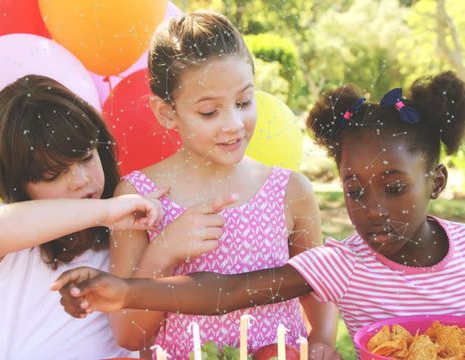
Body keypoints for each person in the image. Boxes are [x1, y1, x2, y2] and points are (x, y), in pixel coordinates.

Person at [53, 71, 465, 355]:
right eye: (354, 189)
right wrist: (127, 290)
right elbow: (227, 291)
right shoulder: (342, 264)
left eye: (393, 188)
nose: (372, 210)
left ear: (436, 183)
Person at [99, 10, 339, 360]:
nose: (233, 125)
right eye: (209, 112)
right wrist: (164, 251)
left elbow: (317, 287)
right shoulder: (137, 197)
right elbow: (128, 333)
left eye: (243, 102)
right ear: (167, 112)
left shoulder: (291, 191)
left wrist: (323, 341)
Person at [0, 75, 165, 359]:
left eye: (86, 158)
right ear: (19, 184)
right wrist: (105, 212)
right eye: (53, 175)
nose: (80, 180)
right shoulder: (13, 237)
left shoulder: (124, 228)